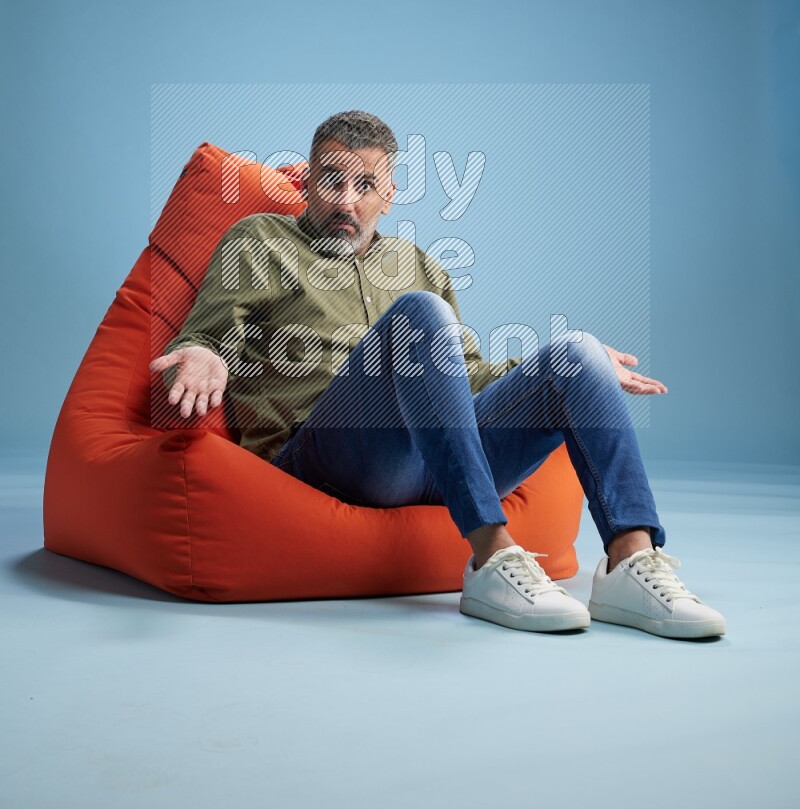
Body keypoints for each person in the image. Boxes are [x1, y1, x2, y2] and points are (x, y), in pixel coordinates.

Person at [150, 109, 726, 640]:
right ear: (306, 183)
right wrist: (203, 353)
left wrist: (579, 372)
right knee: (421, 315)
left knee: (575, 350)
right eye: (331, 180)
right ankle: (492, 557)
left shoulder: (418, 265)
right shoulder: (260, 240)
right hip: (328, 454)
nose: (346, 201)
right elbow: (207, 330)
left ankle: (630, 561)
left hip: (433, 461)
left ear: (390, 195)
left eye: (365, 185)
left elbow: (466, 374)